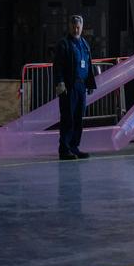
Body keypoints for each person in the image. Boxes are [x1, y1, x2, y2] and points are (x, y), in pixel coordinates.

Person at [53, 13, 97, 160]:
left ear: (82, 27)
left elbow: (88, 64)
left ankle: (74, 147)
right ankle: (64, 149)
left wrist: (90, 83)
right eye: (73, 27)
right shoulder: (64, 44)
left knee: (78, 118)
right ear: (69, 27)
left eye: (78, 27)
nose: (76, 29)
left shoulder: (84, 44)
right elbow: (58, 66)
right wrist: (60, 83)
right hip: (69, 87)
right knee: (68, 118)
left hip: (81, 86)